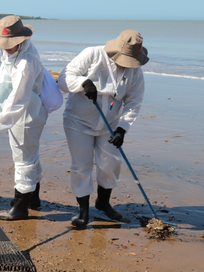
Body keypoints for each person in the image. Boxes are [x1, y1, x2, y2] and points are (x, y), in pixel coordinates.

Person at [58, 30, 148, 228]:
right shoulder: (92, 54)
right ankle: (83, 211)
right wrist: (83, 83)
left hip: (111, 124)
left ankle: (103, 203)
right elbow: (64, 79)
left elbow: (134, 101)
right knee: (82, 166)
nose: (126, 64)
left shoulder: (135, 69)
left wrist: (122, 129)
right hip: (78, 122)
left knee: (110, 163)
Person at [0, 15, 47, 220]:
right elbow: (6, 75)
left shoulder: (27, 61)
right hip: (17, 113)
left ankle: (20, 208)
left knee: (23, 159)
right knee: (30, 155)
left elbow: (19, 97)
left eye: (10, 44)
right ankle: (33, 199)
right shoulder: (15, 52)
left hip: (26, 115)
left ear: (20, 40)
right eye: (5, 44)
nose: (7, 48)